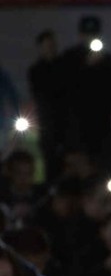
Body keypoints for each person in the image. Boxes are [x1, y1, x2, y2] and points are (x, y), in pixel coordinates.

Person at [60, 15, 111, 175]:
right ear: (80, 35)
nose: (89, 38)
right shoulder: (70, 57)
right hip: (78, 128)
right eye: (86, 34)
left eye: (93, 34)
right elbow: (65, 90)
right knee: (79, 173)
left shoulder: (107, 60)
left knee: (107, 172)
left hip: (103, 127)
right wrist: (87, 67)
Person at [28, 30, 68, 181]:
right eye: (47, 45)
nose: (51, 48)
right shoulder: (36, 70)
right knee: (50, 166)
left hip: (65, 125)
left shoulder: (64, 66)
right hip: (48, 126)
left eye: (52, 45)